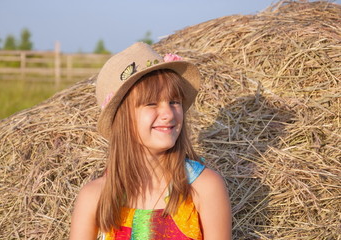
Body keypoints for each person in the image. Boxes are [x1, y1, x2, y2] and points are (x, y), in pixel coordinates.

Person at [69, 42, 232, 240]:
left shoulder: (204, 187)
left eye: (174, 102)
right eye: (151, 103)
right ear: (123, 119)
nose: (168, 113)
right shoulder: (95, 196)